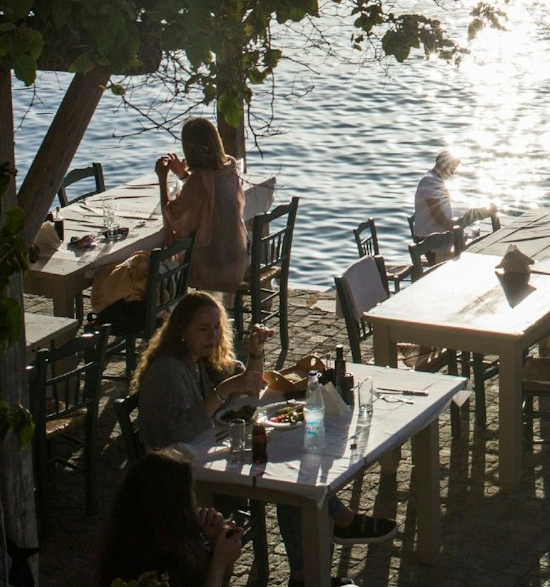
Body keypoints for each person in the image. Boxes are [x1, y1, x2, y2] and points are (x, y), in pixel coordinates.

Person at [136, 292, 394, 578]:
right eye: (203, 329)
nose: (212, 335)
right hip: (179, 475)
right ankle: (331, 540)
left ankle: (307, 569)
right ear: (181, 330)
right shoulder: (169, 370)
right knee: (287, 481)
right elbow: (183, 429)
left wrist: (255, 354)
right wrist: (224, 390)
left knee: (291, 473)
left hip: (208, 451)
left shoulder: (198, 359)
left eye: (217, 327)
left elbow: (249, 390)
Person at [94, 447, 246, 587]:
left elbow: (220, 579)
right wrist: (219, 561)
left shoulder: (174, 538)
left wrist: (215, 545)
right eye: (189, 496)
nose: (194, 504)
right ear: (174, 507)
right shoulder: (147, 564)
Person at [157, 118, 249, 298]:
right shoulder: (230, 167)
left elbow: (171, 214)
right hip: (236, 253)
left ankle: (163, 309)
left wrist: (161, 178)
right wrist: (184, 176)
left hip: (214, 261)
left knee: (160, 263)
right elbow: (206, 195)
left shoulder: (199, 178)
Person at [412, 150, 461, 241]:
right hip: (429, 238)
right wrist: (454, 230)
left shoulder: (435, 180)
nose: (453, 173)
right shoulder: (430, 182)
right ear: (444, 166)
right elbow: (437, 214)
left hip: (439, 234)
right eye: (452, 169)